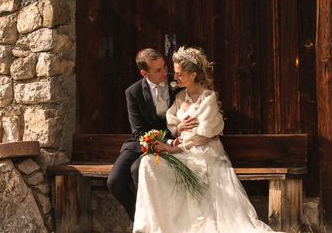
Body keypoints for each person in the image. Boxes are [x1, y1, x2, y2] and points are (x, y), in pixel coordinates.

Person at [133, 46, 278, 233]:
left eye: (179, 74)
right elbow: (173, 125)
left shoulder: (207, 98)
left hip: (204, 153)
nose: (174, 77)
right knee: (147, 162)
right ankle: (154, 225)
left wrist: (173, 149)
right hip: (184, 150)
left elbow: (203, 136)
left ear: (193, 75)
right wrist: (178, 130)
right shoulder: (178, 97)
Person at [108, 48, 199, 220]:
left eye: (164, 66)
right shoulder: (133, 92)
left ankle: (155, 222)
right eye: (158, 70)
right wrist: (164, 140)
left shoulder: (177, 81)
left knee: (137, 170)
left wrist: (176, 137)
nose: (165, 72)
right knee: (115, 182)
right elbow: (138, 131)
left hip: (174, 141)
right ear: (144, 73)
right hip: (141, 142)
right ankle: (140, 221)